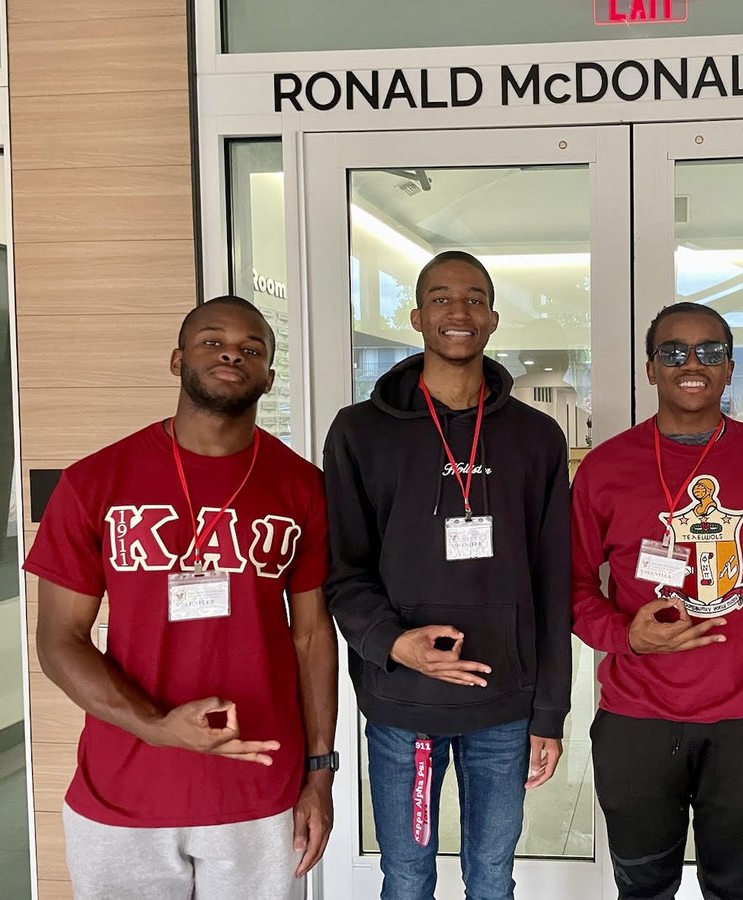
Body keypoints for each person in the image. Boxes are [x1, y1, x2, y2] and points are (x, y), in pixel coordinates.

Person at [28, 295, 338, 900]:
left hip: (258, 786)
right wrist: (155, 726)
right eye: (212, 341)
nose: (232, 354)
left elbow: (311, 635)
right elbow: (59, 640)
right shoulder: (94, 481)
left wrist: (320, 774)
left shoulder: (302, 487)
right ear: (177, 360)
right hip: (123, 790)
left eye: (252, 349)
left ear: (269, 377)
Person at [323, 250, 571, 900]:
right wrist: (391, 643)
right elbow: (342, 571)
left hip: (504, 705)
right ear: (416, 316)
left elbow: (554, 578)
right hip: (404, 706)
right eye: (440, 298)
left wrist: (550, 710)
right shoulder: (359, 433)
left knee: (492, 878)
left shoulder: (537, 437)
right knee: (406, 878)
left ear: (491, 318)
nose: (457, 311)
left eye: (473, 298)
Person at [571, 301, 743, 900]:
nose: (691, 363)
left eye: (709, 351)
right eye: (672, 351)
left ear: (730, 368)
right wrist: (625, 634)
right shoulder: (605, 468)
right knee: (643, 886)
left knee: (734, 887)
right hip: (637, 720)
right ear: (650, 369)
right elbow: (570, 587)